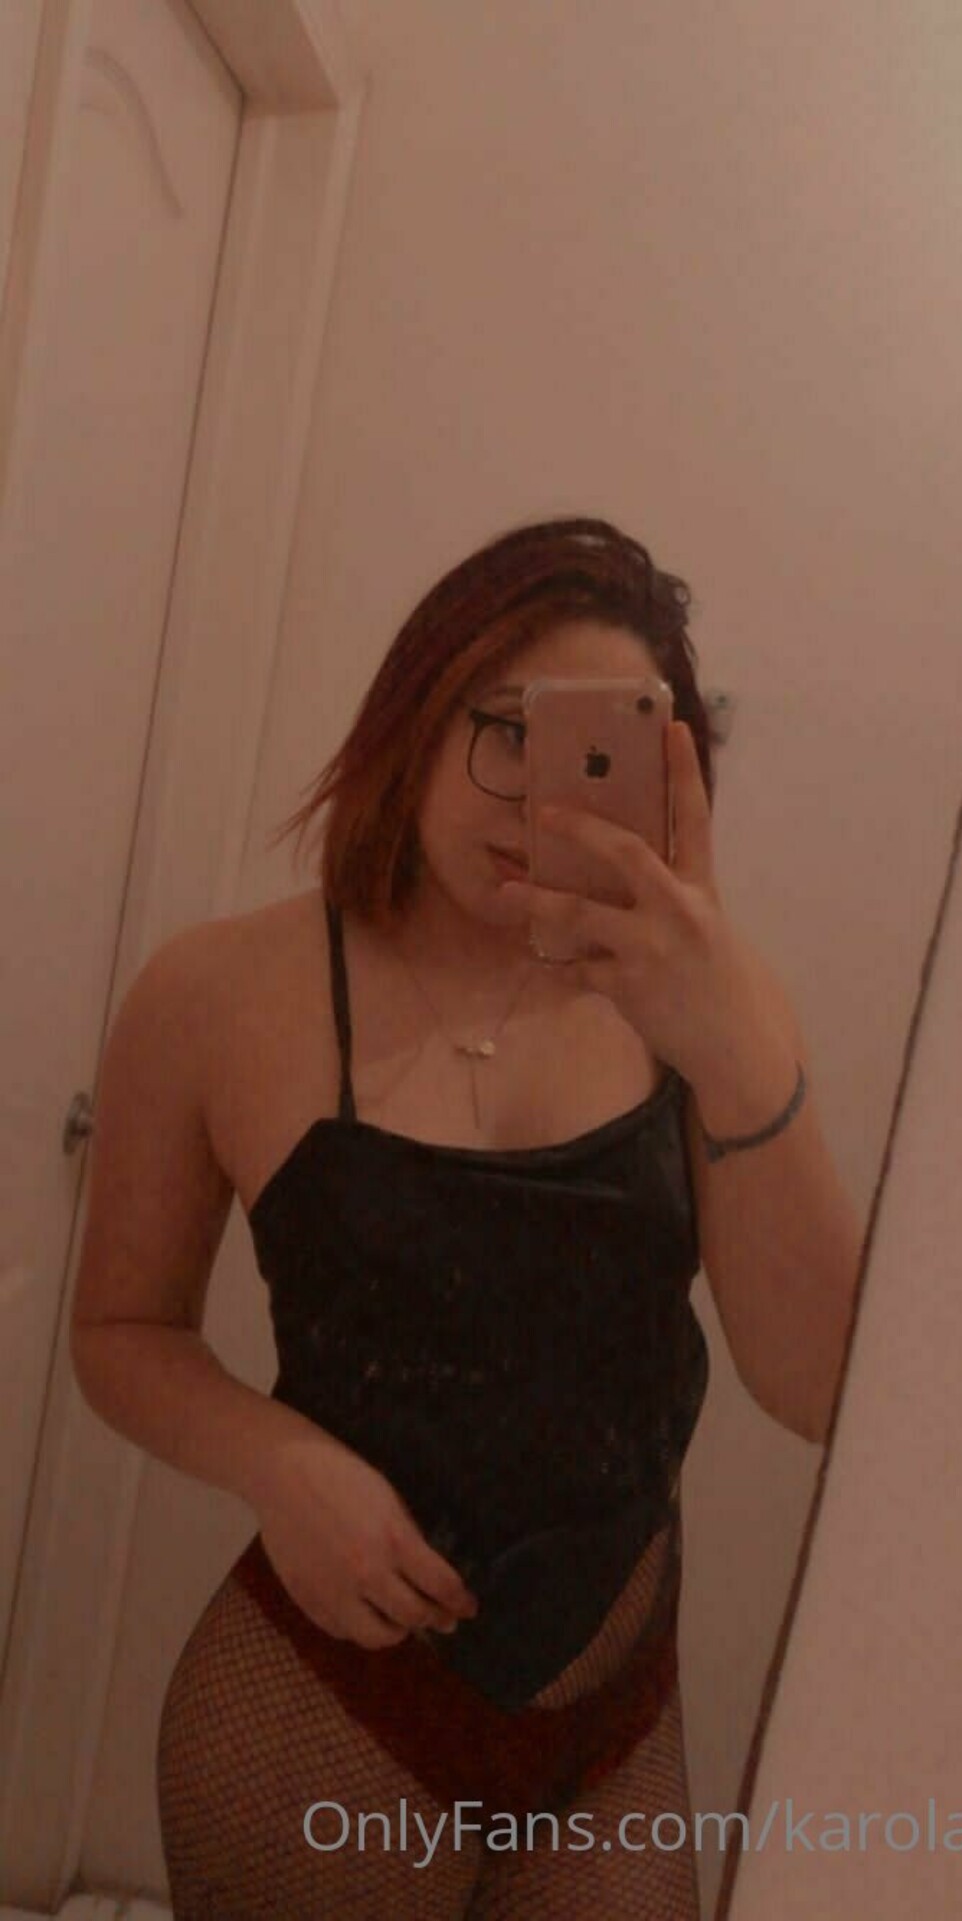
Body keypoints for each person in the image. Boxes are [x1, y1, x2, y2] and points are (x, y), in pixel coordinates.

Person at [70, 516, 858, 1918]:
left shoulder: (705, 1011)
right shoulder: (215, 995)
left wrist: (737, 1050)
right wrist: (278, 1464)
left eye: (595, 759)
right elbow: (121, 1332)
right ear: (417, 714)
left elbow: (820, 1389)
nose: (539, 802)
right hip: (331, 1703)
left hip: (616, 1717)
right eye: (506, 731)